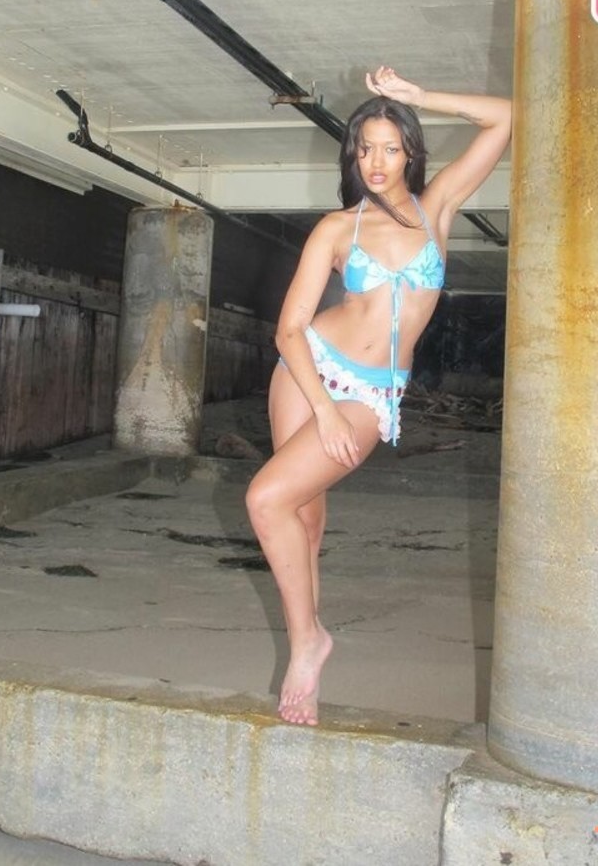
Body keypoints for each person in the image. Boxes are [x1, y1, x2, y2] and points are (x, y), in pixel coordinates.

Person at [245, 65, 512, 725]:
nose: (377, 161)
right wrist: (323, 408)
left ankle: (307, 644)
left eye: (391, 148)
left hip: (371, 391)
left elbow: (506, 117)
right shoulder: (337, 229)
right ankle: (308, 644)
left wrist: (419, 97)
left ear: (412, 153)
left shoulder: (437, 206)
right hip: (308, 371)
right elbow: (289, 329)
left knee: (266, 498)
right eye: (365, 149)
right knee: (301, 517)